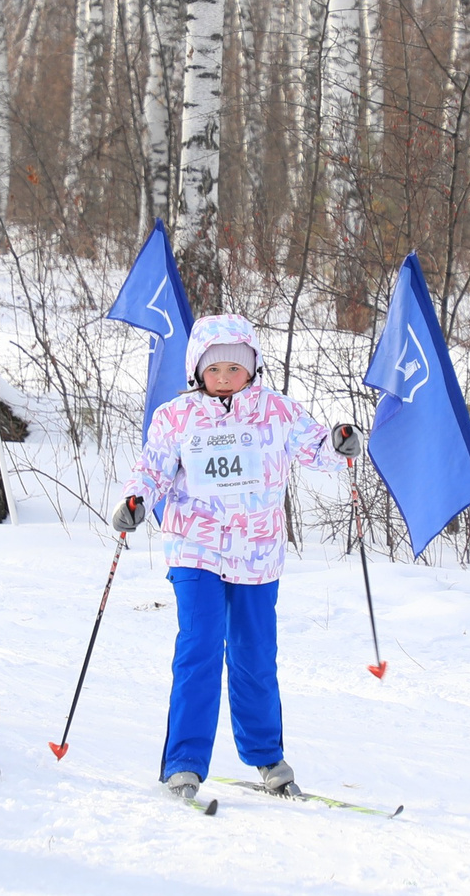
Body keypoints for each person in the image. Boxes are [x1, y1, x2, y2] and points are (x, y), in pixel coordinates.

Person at [111, 314, 360, 808]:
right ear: (196, 371)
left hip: (257, 552)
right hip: (195, 546)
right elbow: (153, 469)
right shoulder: (174, 417)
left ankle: (269, 760)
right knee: (200, 647)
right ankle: (183, 764)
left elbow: (317, 449)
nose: (223, 377)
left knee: (253, 656)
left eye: (234, 366)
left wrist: (340, 441)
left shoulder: (278, 412)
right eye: (213, 368)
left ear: (253, 367)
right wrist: (135, 500)